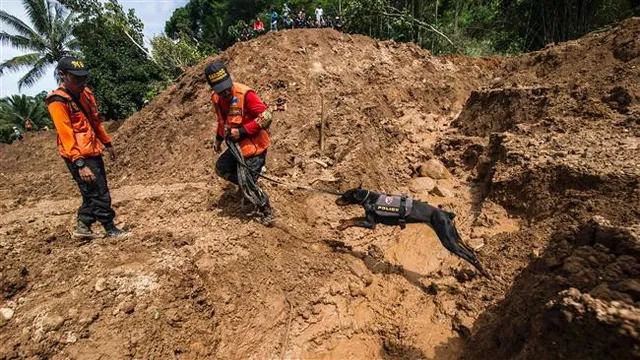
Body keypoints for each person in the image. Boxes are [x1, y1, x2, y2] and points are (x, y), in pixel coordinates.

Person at [45, 56, 129, 239]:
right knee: (99, 191)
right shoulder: (57, 101)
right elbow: (65, 133)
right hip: (78, 155)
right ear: (62, 75)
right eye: (76, 79)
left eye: (84, 78)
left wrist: (107, 143)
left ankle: (83, 226)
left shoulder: (86, 94)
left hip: (92, 149)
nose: (82, 82)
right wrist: (80, 163)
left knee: (90, 191)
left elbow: (95, 122)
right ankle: (110, 228)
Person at [204, 61, 275, 226]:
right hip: (237, 148)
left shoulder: (246, 94)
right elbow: (223, 122)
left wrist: (242, 131)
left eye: (227, 87)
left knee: (246, 181)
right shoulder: (216, 99)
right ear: (214, 89)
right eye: (221, 90)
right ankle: (248, 186)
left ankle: (265, 208)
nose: (226, 92)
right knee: (221, 168)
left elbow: (267, 116)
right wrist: (218, 139)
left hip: (254, 148)